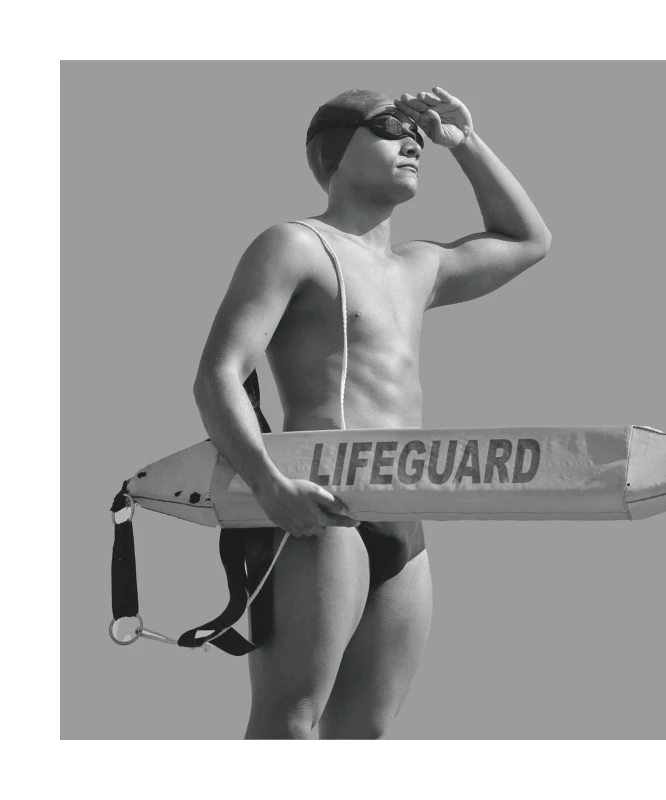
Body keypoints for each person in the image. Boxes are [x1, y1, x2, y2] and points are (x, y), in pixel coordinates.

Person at [192, 86, 552, 739]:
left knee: (366, 735)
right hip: (320, 497)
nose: (412, 140)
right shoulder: (296, 244)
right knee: (290, 717)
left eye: (416, 133)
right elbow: (219, 373)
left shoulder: (420, 266)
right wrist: (268, 485)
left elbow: (530, 240)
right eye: (390, 127)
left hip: (405, 514)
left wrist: (465, 142)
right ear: (335, 151)